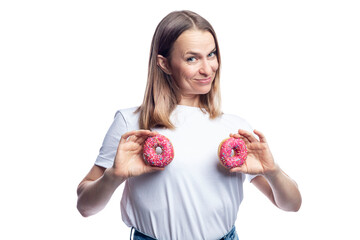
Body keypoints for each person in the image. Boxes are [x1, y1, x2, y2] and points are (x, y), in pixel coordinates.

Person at [76, 10, 302, 240]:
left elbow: (291, 205)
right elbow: (85, 207)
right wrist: (114, 176)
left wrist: (272, 171)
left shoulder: (234, 129)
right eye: (192, 58)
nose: (207, 69)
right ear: (164, 63)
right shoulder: (133, 124)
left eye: (211, 54)